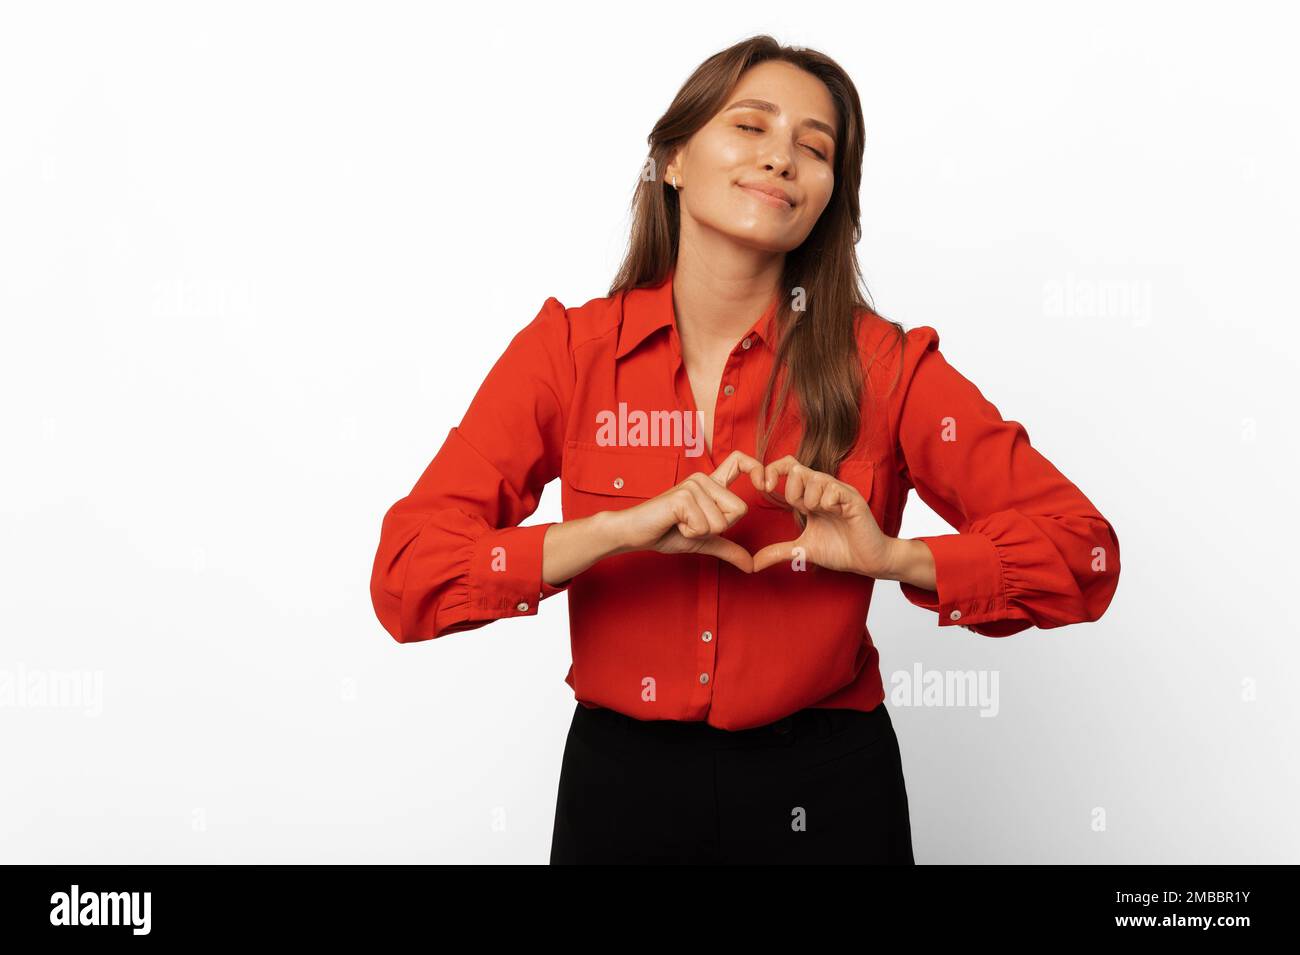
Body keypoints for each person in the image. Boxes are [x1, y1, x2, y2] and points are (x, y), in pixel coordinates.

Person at [368, 35, 1121, 864]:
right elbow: (407, 574)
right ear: (674, 159)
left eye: (814, 146)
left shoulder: (889, 369)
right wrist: (613, 533)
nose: (782, 159)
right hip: (621, 798)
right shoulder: (566, 353)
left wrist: (896, 556)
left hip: (831, 795)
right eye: (751, 126)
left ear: (832, 193)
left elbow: (1083, 549)